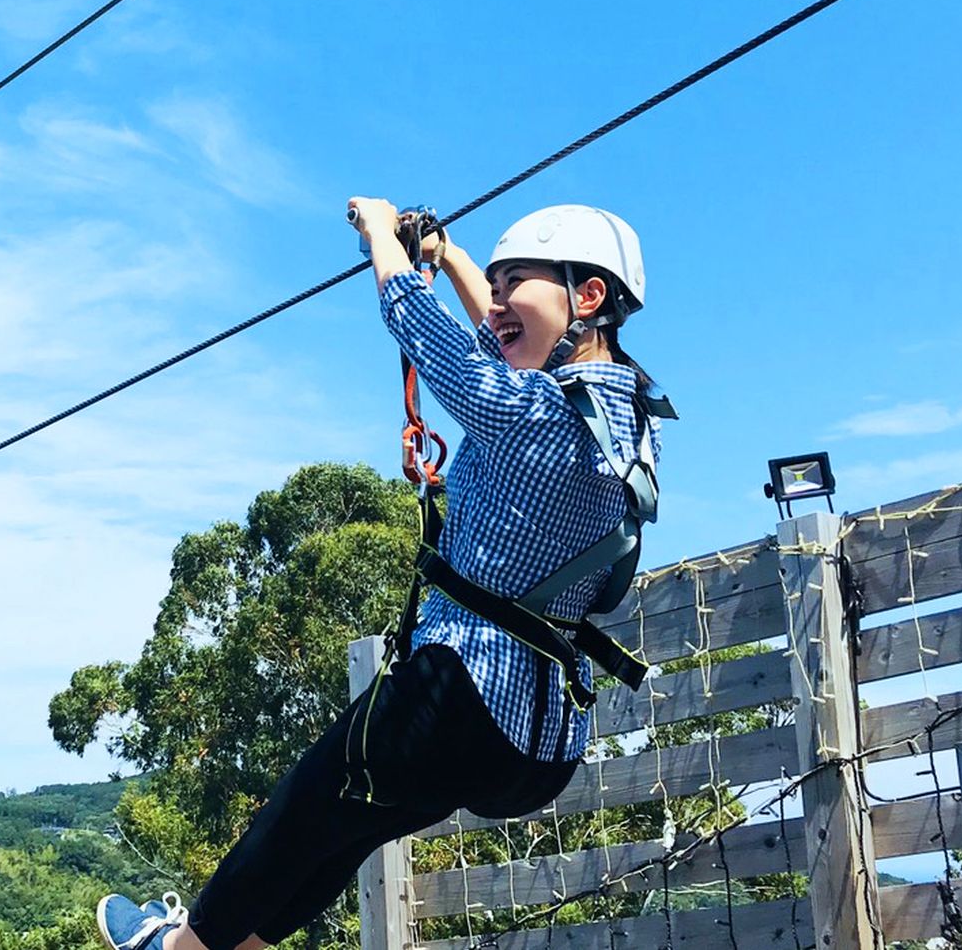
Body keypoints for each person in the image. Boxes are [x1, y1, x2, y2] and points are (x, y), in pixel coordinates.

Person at [96, 199, 670, 950]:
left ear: (587, 295)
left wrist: (383, 240)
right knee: (343, 827)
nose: (495, 304)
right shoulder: (626, 415)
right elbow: (511, 349)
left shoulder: (528, 412)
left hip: (460, 694)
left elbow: (432, 337)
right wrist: (451, 254)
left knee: (301, 807)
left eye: (514, 283)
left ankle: (172, 948)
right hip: (539, 740)